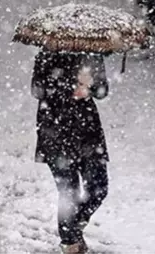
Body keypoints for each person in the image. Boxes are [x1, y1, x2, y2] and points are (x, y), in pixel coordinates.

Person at [31, 50, 109, 254]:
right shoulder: (47, 55)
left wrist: (91, 86)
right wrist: (71, 86)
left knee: (99, 187)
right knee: (69, 193)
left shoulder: (92, 54)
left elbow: (102, 91)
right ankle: (70, 244)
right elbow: (37, 90)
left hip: (88, 134)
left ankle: (74, 228)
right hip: (55, 132)